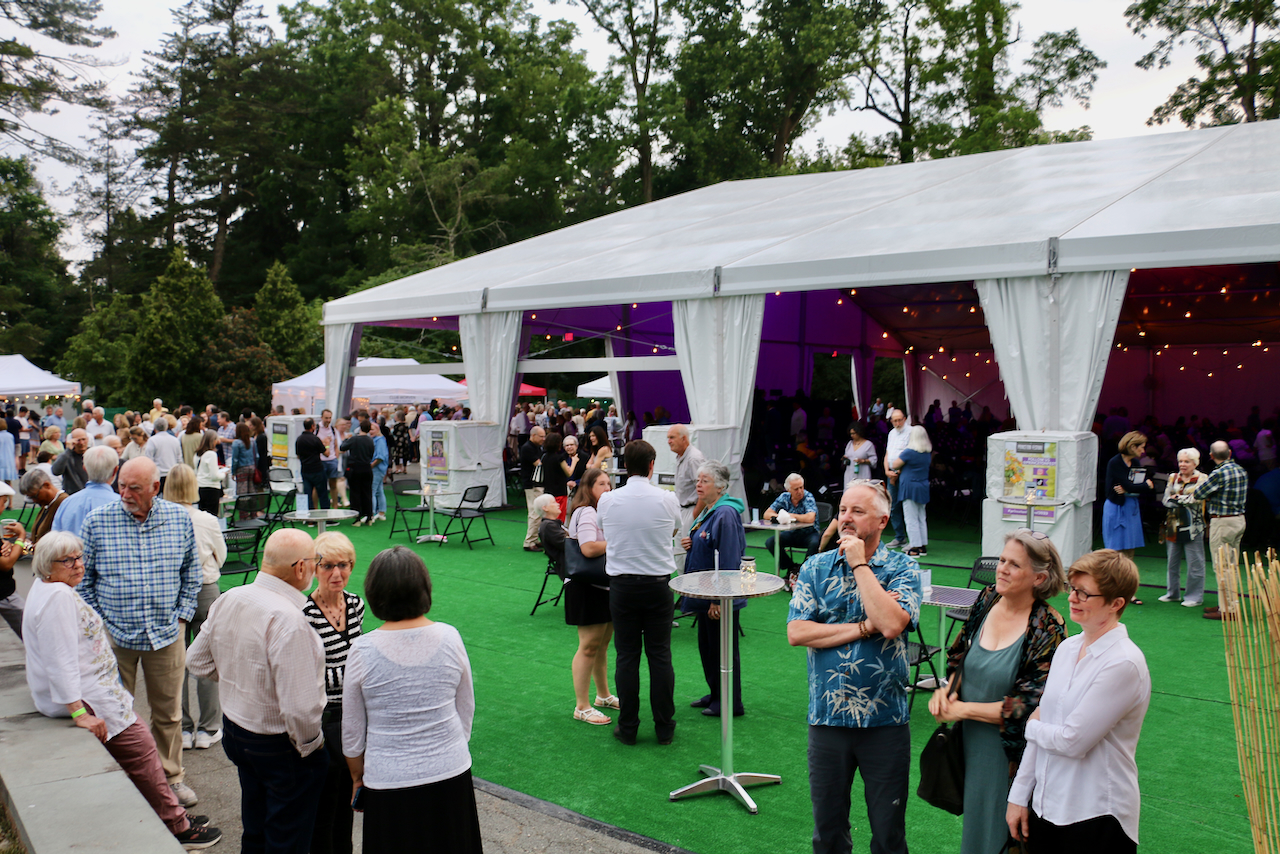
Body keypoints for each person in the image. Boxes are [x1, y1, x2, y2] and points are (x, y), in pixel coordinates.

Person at [22, 533, 223, 850]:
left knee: (143, 751)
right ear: (48, 566)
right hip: (90, 699)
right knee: (142, 752)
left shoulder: (49, 588)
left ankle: (169, 814)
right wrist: (78, 711)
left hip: (95, 693)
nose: (78, 565)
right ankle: (178, 826)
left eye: (79, 557)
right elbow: (59, 659)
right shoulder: (57, 597)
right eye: (68, 560)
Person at [786, 480, 922, 854]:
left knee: (888, 833)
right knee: (827, 831)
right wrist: (865, 626)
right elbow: (797, 632)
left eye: (857, 512)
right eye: (843, 510)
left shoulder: (902, 567)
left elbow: (893, 624)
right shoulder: (815, 566)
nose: (846, 518)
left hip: (885, 723)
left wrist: (860, 564)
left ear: (882, 520)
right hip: (827, 719)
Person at [188, 528, 328, 852]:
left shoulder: (231, 597)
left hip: (237, 732)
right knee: (286, 840)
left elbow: (196, 660)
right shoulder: (288, 619)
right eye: (315, 561)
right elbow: (300, 709)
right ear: (301, 568)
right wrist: (312, 746)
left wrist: (240, 682)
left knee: (255, 827)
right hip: (278, 743)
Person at [929, 529, 1068, 854]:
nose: (1001, 568)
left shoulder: (1048, 627)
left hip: (1009, 757)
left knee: (999, 839)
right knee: (976, 836)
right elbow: (959, 654)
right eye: (1002, 560)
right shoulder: (988, 598)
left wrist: (962, 710)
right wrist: (948, 690)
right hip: (970, 746)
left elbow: (1027, 706)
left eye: (1014, 564)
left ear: (1039, 577)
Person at [1006, 550, 1151, 853]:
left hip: (1096, 814)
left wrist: (1030, 728)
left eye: (1085, 593)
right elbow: (1046, 720)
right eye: (1073, 589)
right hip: (1047, 807)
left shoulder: (1123, 663)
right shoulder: (1068, 648)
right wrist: (1019, 795)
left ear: (1116, 604)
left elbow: (1073, 741)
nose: (1072, 598)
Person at [78, 457, 202, 808]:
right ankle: (124, 779)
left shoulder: (178, 519)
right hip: (114, 637)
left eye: (134, 488)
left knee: (169, 713)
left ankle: (171, 777)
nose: (125, 494)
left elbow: (192, 573)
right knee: (115, 712)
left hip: (166, 634)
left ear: (155, 488)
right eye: (121, 486)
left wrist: (181, 618)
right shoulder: (97, 522)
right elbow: (83, 582)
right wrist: (100, 624)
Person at [342, 547, 480, 852]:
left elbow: (352, 731)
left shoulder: (363, 650)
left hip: (388, 779)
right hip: (450, 771)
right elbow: (465, 706)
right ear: (424, 587)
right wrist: (450, 746)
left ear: (374, 592)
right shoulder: (449, 636)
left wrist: (356, 775)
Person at [598, 440, 682, 745]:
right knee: (660, 656)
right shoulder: (665, 499)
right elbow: (675, 528)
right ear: (651, 465)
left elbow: (603, 528)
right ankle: (664, 727)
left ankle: (629, 726)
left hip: (622, 586)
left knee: (627, 655)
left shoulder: (608, 500)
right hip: (658, 584)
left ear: (625, 465)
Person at [304, 532, 365, 854]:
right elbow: (308, 676)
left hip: (353, 719)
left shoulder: (356, 605)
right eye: (327, 565)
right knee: (323, 807)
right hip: (322, 721)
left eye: (343, 565)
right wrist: (354, 677)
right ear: (314, 568)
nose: (336, 573)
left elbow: (360, 656)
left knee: (349, 801)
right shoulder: (305, 613)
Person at [162, 465, 227, 754]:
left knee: (175, 662)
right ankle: (208, 727)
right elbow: (221, 556)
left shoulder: (159, 518)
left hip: (170, 591)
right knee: (206, 660)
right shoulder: (206, 520)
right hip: (204, 588)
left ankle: (184, 726)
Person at [680, 461, 747, 717]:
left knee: (722, 649)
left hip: (718, 597)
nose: (698, 484)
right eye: (698, 480)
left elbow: (729, 560)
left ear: (720, 486)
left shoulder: (725, 513)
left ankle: (730, 701)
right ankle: (717, 693)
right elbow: (709, 545)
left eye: (704, 480)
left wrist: (719, 600)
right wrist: (692, 543)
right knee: (708, 647)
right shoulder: (711, 510)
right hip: (706, 594)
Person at [563, 470, 617, 726]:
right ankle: (582, 706)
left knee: (601, 644)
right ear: (589, 487)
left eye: (609, 483)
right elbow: (588, 547)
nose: (607, 487)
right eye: (601, 484)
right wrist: (619, 539)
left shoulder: (600, 512)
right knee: (588, 647)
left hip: (601, 585)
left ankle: (603, 695)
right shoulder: (587, 512)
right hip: (586, 586)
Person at [1158, 448, 1208, 608]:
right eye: (1180, 461)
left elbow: (1198, 498)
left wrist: (1179, 498)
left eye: (1186, 461)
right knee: (1172, 561)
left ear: (1195, 463)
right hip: (1173, 523)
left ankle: (1194, 597)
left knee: (1195, 562)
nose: (1183, 464)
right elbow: (1165, 498)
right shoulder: (1173, 477)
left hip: (1194, 526)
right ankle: (1172, 593)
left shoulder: (1202, 478)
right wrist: (1177, 500)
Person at [1102, 431, 1155, 561]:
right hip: (1116, 507)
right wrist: (1145, 485)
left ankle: (1127, 578)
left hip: (1131, 508)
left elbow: (1133, 487)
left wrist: (1130, 488)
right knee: (1114, 548)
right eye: (1141, 447)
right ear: (1132, 447)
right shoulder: (1115, 462)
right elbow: (1134, 485)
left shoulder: (1136, 463)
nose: (1143, 451)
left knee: (1130, 547)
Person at [762, 473, 819, 585]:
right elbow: (767, 514)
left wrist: (790, 515)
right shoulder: (784, 497)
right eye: (796, 489)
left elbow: (810, 518)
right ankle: (791, 567)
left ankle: (803, 572)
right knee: (771, 542)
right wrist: (779, 517)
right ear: (788, 490)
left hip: (809, 533)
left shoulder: (808, 497)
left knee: (815, 543)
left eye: (801, 487)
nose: (800, 491)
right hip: (792, 532)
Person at [51, 445, 120, 534]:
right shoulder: (122, 505)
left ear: (85, 469)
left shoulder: (67, 503)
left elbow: (55, 540)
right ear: (115, 470)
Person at [668, 424, 707, 575]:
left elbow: (704, 489)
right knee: (679, 554)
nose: (669, 441)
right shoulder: (682, 457)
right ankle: (685, 591)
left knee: (686, 554)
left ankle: (690, 592)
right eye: (668, 438)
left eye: (672, 437)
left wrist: (693, 516)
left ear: (684, 438)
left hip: (691, 511)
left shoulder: (694, 458)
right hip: (683, 510)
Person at [889, 424, 932, 557]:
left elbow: (894, 464)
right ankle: (922, 545)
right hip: (923, 486)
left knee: (911, 518)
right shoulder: (927, 453)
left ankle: (914, 547)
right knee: (921, 517)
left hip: (910, 487)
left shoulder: (909, 452)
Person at [340, 420, 376, 526]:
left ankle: (357, 518)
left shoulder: (354, 439)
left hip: (355, 468)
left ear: (360, 428)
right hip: (367, 468)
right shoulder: (370, 440)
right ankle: (369, 516)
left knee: (355, 493)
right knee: (367, 492)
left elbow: (342, 447)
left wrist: (346, 439)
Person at [883, 410, 910, 547]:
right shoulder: (891, 433)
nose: (897, 423)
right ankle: (900, 537)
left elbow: (909, 454)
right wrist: (887, 470)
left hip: (904, 473)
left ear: (905, 419)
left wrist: (897, 472)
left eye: (900, 420)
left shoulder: (910, 432)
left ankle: (912, 540)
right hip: (891, 472)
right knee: (893, 506)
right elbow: (888, 453)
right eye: (895, 420)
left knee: (907, 505)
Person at [520, 426, 546, 551]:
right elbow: (539, 464)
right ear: (533, 435)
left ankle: (534, 539)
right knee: (534, 512)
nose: (543, 439)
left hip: (536, 484)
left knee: (538, 512)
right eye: (541, 436)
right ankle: (529, 542)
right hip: (531, 485)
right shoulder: (527, 448)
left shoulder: (535, 447)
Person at [297, 418, 330, 511]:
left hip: (305, 470)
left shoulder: (299, 439)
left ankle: (310, 518)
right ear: (312, 426)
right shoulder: (315, 439)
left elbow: (298, 455)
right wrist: (327, 444)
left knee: (308, 494)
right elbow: (326, 454)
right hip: (317, 469)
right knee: (323, 494)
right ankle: (326, 517)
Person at [146, 418, 184, 491]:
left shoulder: (152, 440)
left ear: (154, 428)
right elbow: (179, 459)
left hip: (158, 474)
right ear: (166, 427)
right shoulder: (175, 440)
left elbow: (149, 459)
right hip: (172, 473)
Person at [541, 432, 571, 521]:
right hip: (560, 491)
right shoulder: (559, 458)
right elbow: (569, 472)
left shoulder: (544, 457)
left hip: (548, 490)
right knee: (559, 515)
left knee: (549, 516)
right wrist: (575, 461)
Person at [51, 427, 90, 494]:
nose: (81, 443)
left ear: (88, 439)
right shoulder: (66, 456)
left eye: (83, 439)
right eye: (78, 440)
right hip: (72, 495)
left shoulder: (92, 453)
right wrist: (68, 450)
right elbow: (55, 471)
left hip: (90, 493)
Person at [535, 493, 566, 577]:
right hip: (569, 564)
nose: (558, 504)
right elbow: (567, 544)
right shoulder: (549, 526)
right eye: (553, 502)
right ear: (545, 508)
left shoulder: (550, 524)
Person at [193, 431, 223, 516]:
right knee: (212, 515)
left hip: (200, 487)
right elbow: (214, 476)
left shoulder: (197, 454)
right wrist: (223, 474)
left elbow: (198, 471)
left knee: (203, 515)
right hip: (211, 488)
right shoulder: (211, 454)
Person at [230, 422, 256, 501]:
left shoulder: (236, 443)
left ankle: (244, 511)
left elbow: (235, 459)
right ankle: (253, 511)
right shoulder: (252, 441)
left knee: (242, 491)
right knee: (252, 489)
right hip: (252, 466)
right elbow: (256, 456)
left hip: (241, 468)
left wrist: (233, 471)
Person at [369, 421, 389, 523]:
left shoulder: (380, 440)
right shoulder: (377, 439)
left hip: (377, 468)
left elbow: (380, 456)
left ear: (377, 430)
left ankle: (371, 513)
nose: (370, 431)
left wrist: (371, 465)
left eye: (372, 429)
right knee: (379, 490)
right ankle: (381, 512)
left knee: (372, 491)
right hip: (379, 469)